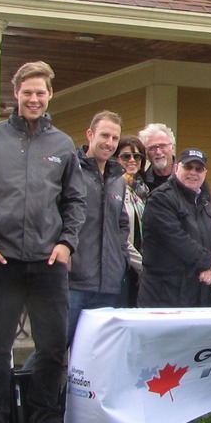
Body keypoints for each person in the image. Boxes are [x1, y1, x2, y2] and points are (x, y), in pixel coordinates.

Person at [0, 61, 85, 423]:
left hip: (48, 263)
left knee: (50, 348)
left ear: (50, 96)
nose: (34, 99)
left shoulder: (62, 144)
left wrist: (66, 243)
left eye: (41, 93)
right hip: (3, 260)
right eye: (27, 92)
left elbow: (75, 200)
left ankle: (46, 421)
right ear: (16, 93)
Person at [65, 111, 130, 341]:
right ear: (90, 135)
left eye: (114, 138)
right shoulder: (70, 170)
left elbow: (122, 224)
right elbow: (54, 214)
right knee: (56, 346)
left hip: (109, 284)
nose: (109, 143)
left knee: (96, 352)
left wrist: (120, 257)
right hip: (75, 281)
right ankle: (27, 380)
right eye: (104, 135)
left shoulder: (117, 180)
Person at [138, 148, 211, 306]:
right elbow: (177, 240)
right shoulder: (161, 198)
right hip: (164, 294)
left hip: (198, 292)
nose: (193, 172)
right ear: (176, 168)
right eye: (188, 167)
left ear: (205, 173)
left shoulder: (204, 200)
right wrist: (210, 261)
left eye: (199, 169)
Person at [114, 135, 148, 306]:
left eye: (137, 156)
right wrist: (142, 266)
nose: (132, 160)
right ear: (116, 159)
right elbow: (120, 235)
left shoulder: (142, 190)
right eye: (126, 156)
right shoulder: (114, 187)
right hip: (124, 267)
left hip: (140, 269)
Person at [138, 123, 176, 192]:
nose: (158, 152)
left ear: (172, 148)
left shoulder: (186, 177)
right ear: (146, 153)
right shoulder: (142, 183)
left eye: (162, 146)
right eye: (152, 148)